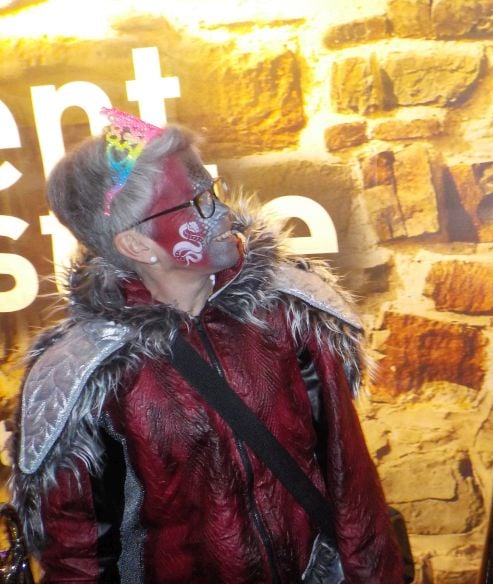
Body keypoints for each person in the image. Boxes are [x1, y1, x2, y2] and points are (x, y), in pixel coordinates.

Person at [10, 108, 405, 582]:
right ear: (137, 246)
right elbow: (78, 557)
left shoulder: (288, 314)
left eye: (212, 191)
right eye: (197, 203)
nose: (223, 212)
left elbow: (350, 482)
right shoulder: (84, 373)